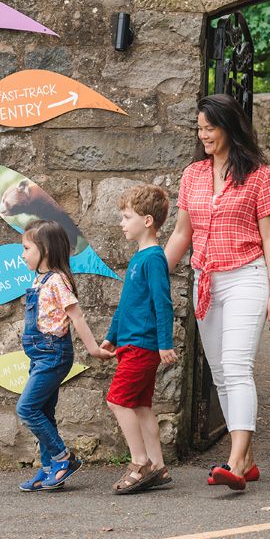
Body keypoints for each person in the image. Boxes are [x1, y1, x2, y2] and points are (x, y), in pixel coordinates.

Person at [164, 93, 270, 491]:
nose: (203, 136)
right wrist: (150, 274)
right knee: (220, 374)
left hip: (247, 277)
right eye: (199, 129)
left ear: (229, 126)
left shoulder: (259, 175)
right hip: (206, 282)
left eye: (209, 128)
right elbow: (183, 234)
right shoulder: (193, 175)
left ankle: (234, 461)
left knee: (236, 366)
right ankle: (247, 460)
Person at [16, 219, 109, 492]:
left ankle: (62, 458)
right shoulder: (40, 279)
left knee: (27, 408)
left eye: (26, 248)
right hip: (40, 356)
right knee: (44, 411)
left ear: (44, 249)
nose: (23, 255)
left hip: (53, 355)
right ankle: (48, 469)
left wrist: (92, 348)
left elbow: (76, 316)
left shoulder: (57, 280)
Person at [100, 184, 178, 494]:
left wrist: (164, 343)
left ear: (147, 221)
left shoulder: (153, 259)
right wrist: (110, 337)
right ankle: (157, 466)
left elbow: (163, 302)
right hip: (131, 343)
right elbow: (126, 305)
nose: (122, 223)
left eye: (126, 216)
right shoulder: (140, 258)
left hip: (143, 346)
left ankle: (139, 462)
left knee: (116, 401)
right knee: (142, 406)